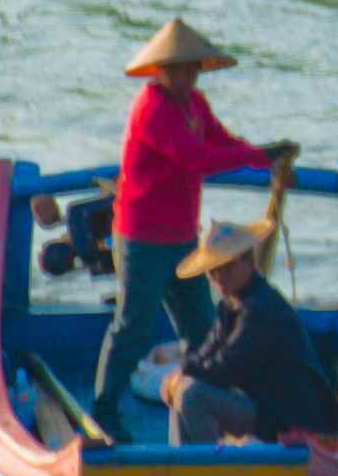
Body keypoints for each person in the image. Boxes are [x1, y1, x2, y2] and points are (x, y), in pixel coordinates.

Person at [93, 22, 286, 433]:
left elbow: (220, 141)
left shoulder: (193, 103)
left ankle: (204, 410)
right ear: (160, 70)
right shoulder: (151, 109)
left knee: (201, 325)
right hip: (142, 237)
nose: (187, 78)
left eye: (193, 70)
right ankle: (104, 410)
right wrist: (257, 157)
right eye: (178, 70)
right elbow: (196, 157)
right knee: (132, 326)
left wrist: (258, 154)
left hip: (181, 235)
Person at [169, 209, 338, 449]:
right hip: (260, 406)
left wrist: (183, 372)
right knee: (182, 389)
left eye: (226, 268)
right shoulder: (231, 305)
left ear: (249, 262)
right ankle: (183, 468)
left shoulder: (261, 307)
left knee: (192, 395)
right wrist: (180, 375)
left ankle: (209, 473)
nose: (219, 277)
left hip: (288, 417)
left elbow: (227, 368)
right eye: (212, 272)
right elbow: (208, 352)